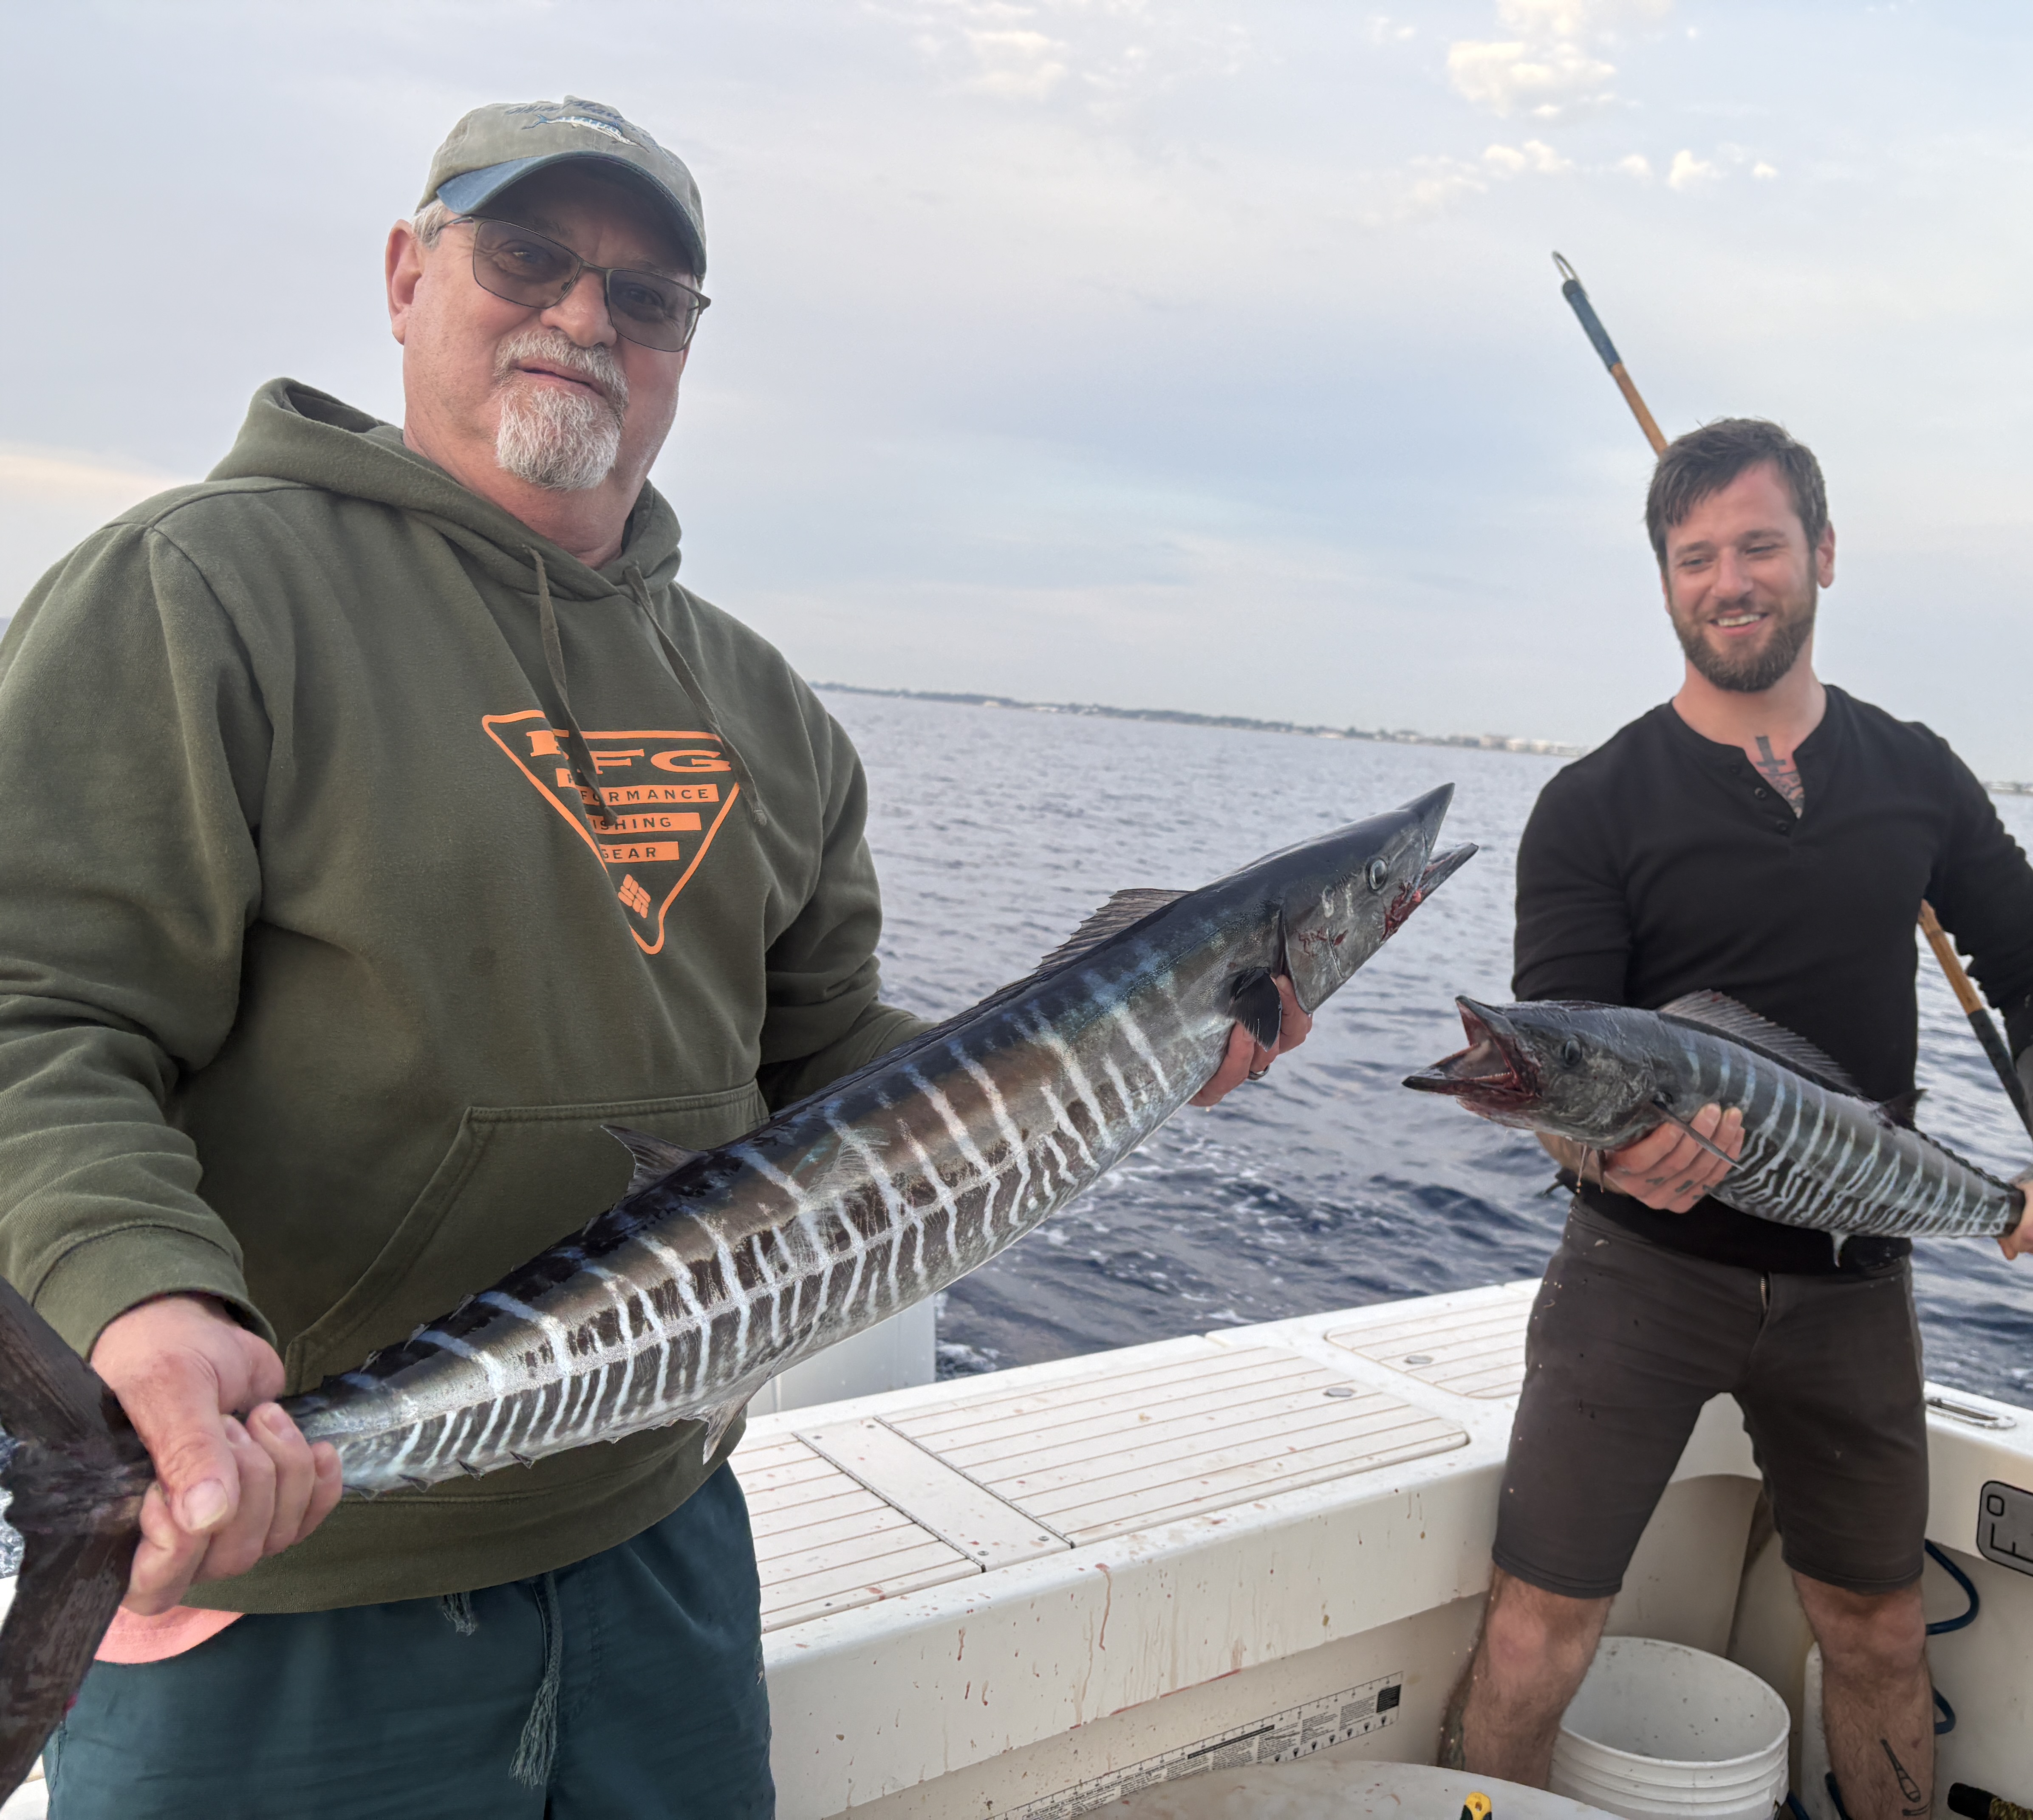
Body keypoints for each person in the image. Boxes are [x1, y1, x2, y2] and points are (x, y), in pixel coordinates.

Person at [0, 97, 1304, 1817]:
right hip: (283, 1587)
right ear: (409, 272)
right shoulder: (195, 590)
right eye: (527, 254)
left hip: (657, 1543)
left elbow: (826, 1054)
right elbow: (41, 1009)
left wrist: (1105, 1074)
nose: (584, 318)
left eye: (649, 295)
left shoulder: (764, 705)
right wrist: (143, 1292)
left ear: (688, 346)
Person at [1435, 418, 2033, 1819]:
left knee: (1876, 1632)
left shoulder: (1914, 771)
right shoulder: (1591, 804)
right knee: (1530, 1631)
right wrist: (1607, 1149)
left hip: (1857, 1286)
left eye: (1757, 545)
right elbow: (1565, 1054)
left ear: (1822, 553)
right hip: (1639, 1275)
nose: (1728, 580)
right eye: (1696, 558)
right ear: (1666, 582)